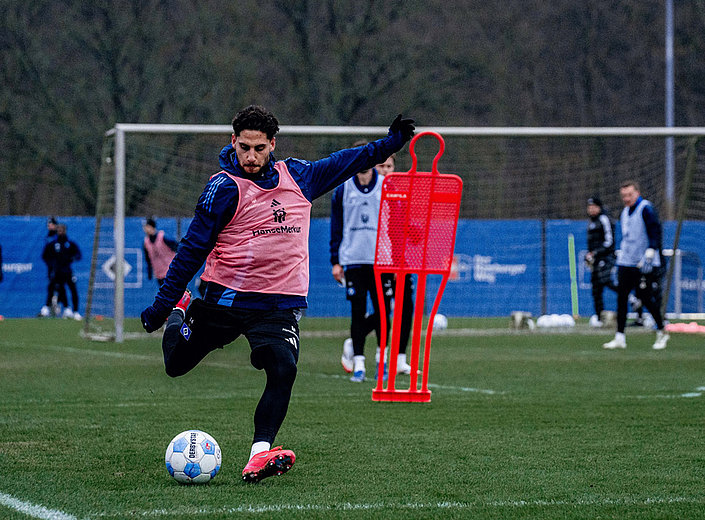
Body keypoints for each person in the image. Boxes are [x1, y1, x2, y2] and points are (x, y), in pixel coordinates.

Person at [140, 105, 415, 483]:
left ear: (273, 144)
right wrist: (163, 306)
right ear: (233, 142)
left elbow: (349, 161)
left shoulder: (299, 177)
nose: (250, 157)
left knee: (283, 368)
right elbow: (191, 252)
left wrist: (390, 144)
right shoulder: (222, 188)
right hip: (225, 300)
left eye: (258, 148)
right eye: (243, 147)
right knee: (175, 365)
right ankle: (181, 313)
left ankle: (260, 454)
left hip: (277, 306)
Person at [330, 149, 414, 382]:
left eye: (390, 167)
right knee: (359, 312)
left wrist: (399, 259)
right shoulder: (344, 188)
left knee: (390, 310)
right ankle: (359, 360)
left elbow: (399, 227)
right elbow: (337, 226)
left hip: (384, 260)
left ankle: (387, 359)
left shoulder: (391, 190)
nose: (385, 171)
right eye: (382, 166)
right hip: (355, 260)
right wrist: (336, 260)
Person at [603, 181, 669, 350]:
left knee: (645, 297)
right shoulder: (625, 212)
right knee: (622, 298)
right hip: (626, 261)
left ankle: (662, 331)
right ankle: (620, 336)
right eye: (624, 195)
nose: (626, 198)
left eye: (629, 195)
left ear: (637, 193)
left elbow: (655, 231)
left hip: (643, 262)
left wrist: (652, 250)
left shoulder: (646, 208)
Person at [585, 196, 617, 326]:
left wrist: (597, 253)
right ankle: (599, 316)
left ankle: (633, 300)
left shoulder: (604, 219)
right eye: (589, 207)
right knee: (596, 289)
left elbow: (609, 242)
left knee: (607, 281)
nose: (591, 209)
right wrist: (590, 256)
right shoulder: (591, 222)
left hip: (606, 258)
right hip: (595, 260)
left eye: (594, 207)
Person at [41, 223, 82, 320]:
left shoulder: (70, 244)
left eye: (62, 230)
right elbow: (45, 256)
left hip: (67, 271)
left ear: (65, 231)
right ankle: (65, 308)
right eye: (58, 230)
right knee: (58, 289)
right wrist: (52, 264)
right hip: (57, 271)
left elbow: (78, 255)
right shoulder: (53, 244)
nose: (60, 232)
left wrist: (72, 258)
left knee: (73, 289)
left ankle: (76, 311)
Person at [39, 217, 65, 317]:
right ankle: (49, 306)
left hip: (61, 267)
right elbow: (45, 254)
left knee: (60, 287)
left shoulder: (58, 237)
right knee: (51, 286)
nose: (48, 226)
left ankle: (60, 305)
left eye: (50, 224)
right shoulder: (48, 237)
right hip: (52, 267)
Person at [142, 217, 178, 287]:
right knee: (166, 295)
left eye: (146, 226)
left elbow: (176, 246)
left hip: (171, 271)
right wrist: (150, 272)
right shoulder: (146, 243)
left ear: (151, 226)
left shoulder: (163, 237)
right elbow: (148, 259)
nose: (144, 229)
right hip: (159, 274)